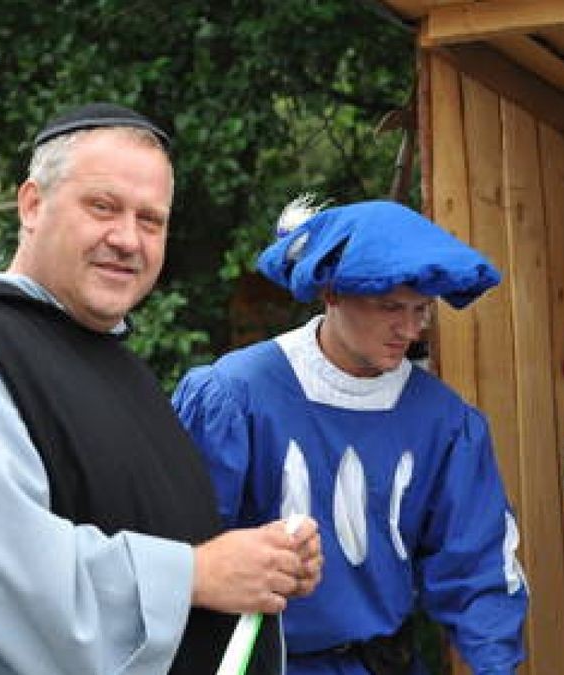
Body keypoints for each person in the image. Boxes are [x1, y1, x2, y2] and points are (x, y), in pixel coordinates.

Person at [0, 103, 323, 675]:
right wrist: (197, 576)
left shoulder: (107, 359)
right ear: (32, 204)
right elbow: (1, 573)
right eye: (102, 207)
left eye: (150, 220)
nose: (127, 239)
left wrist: (260, 564)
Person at [172, 199, 528, 675]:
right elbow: (182, 557)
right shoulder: (234, 398)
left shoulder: (445, 423)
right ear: (331, 294)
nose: (409, 329)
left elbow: (478, 572)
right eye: (389, 307)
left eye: (421, 309)